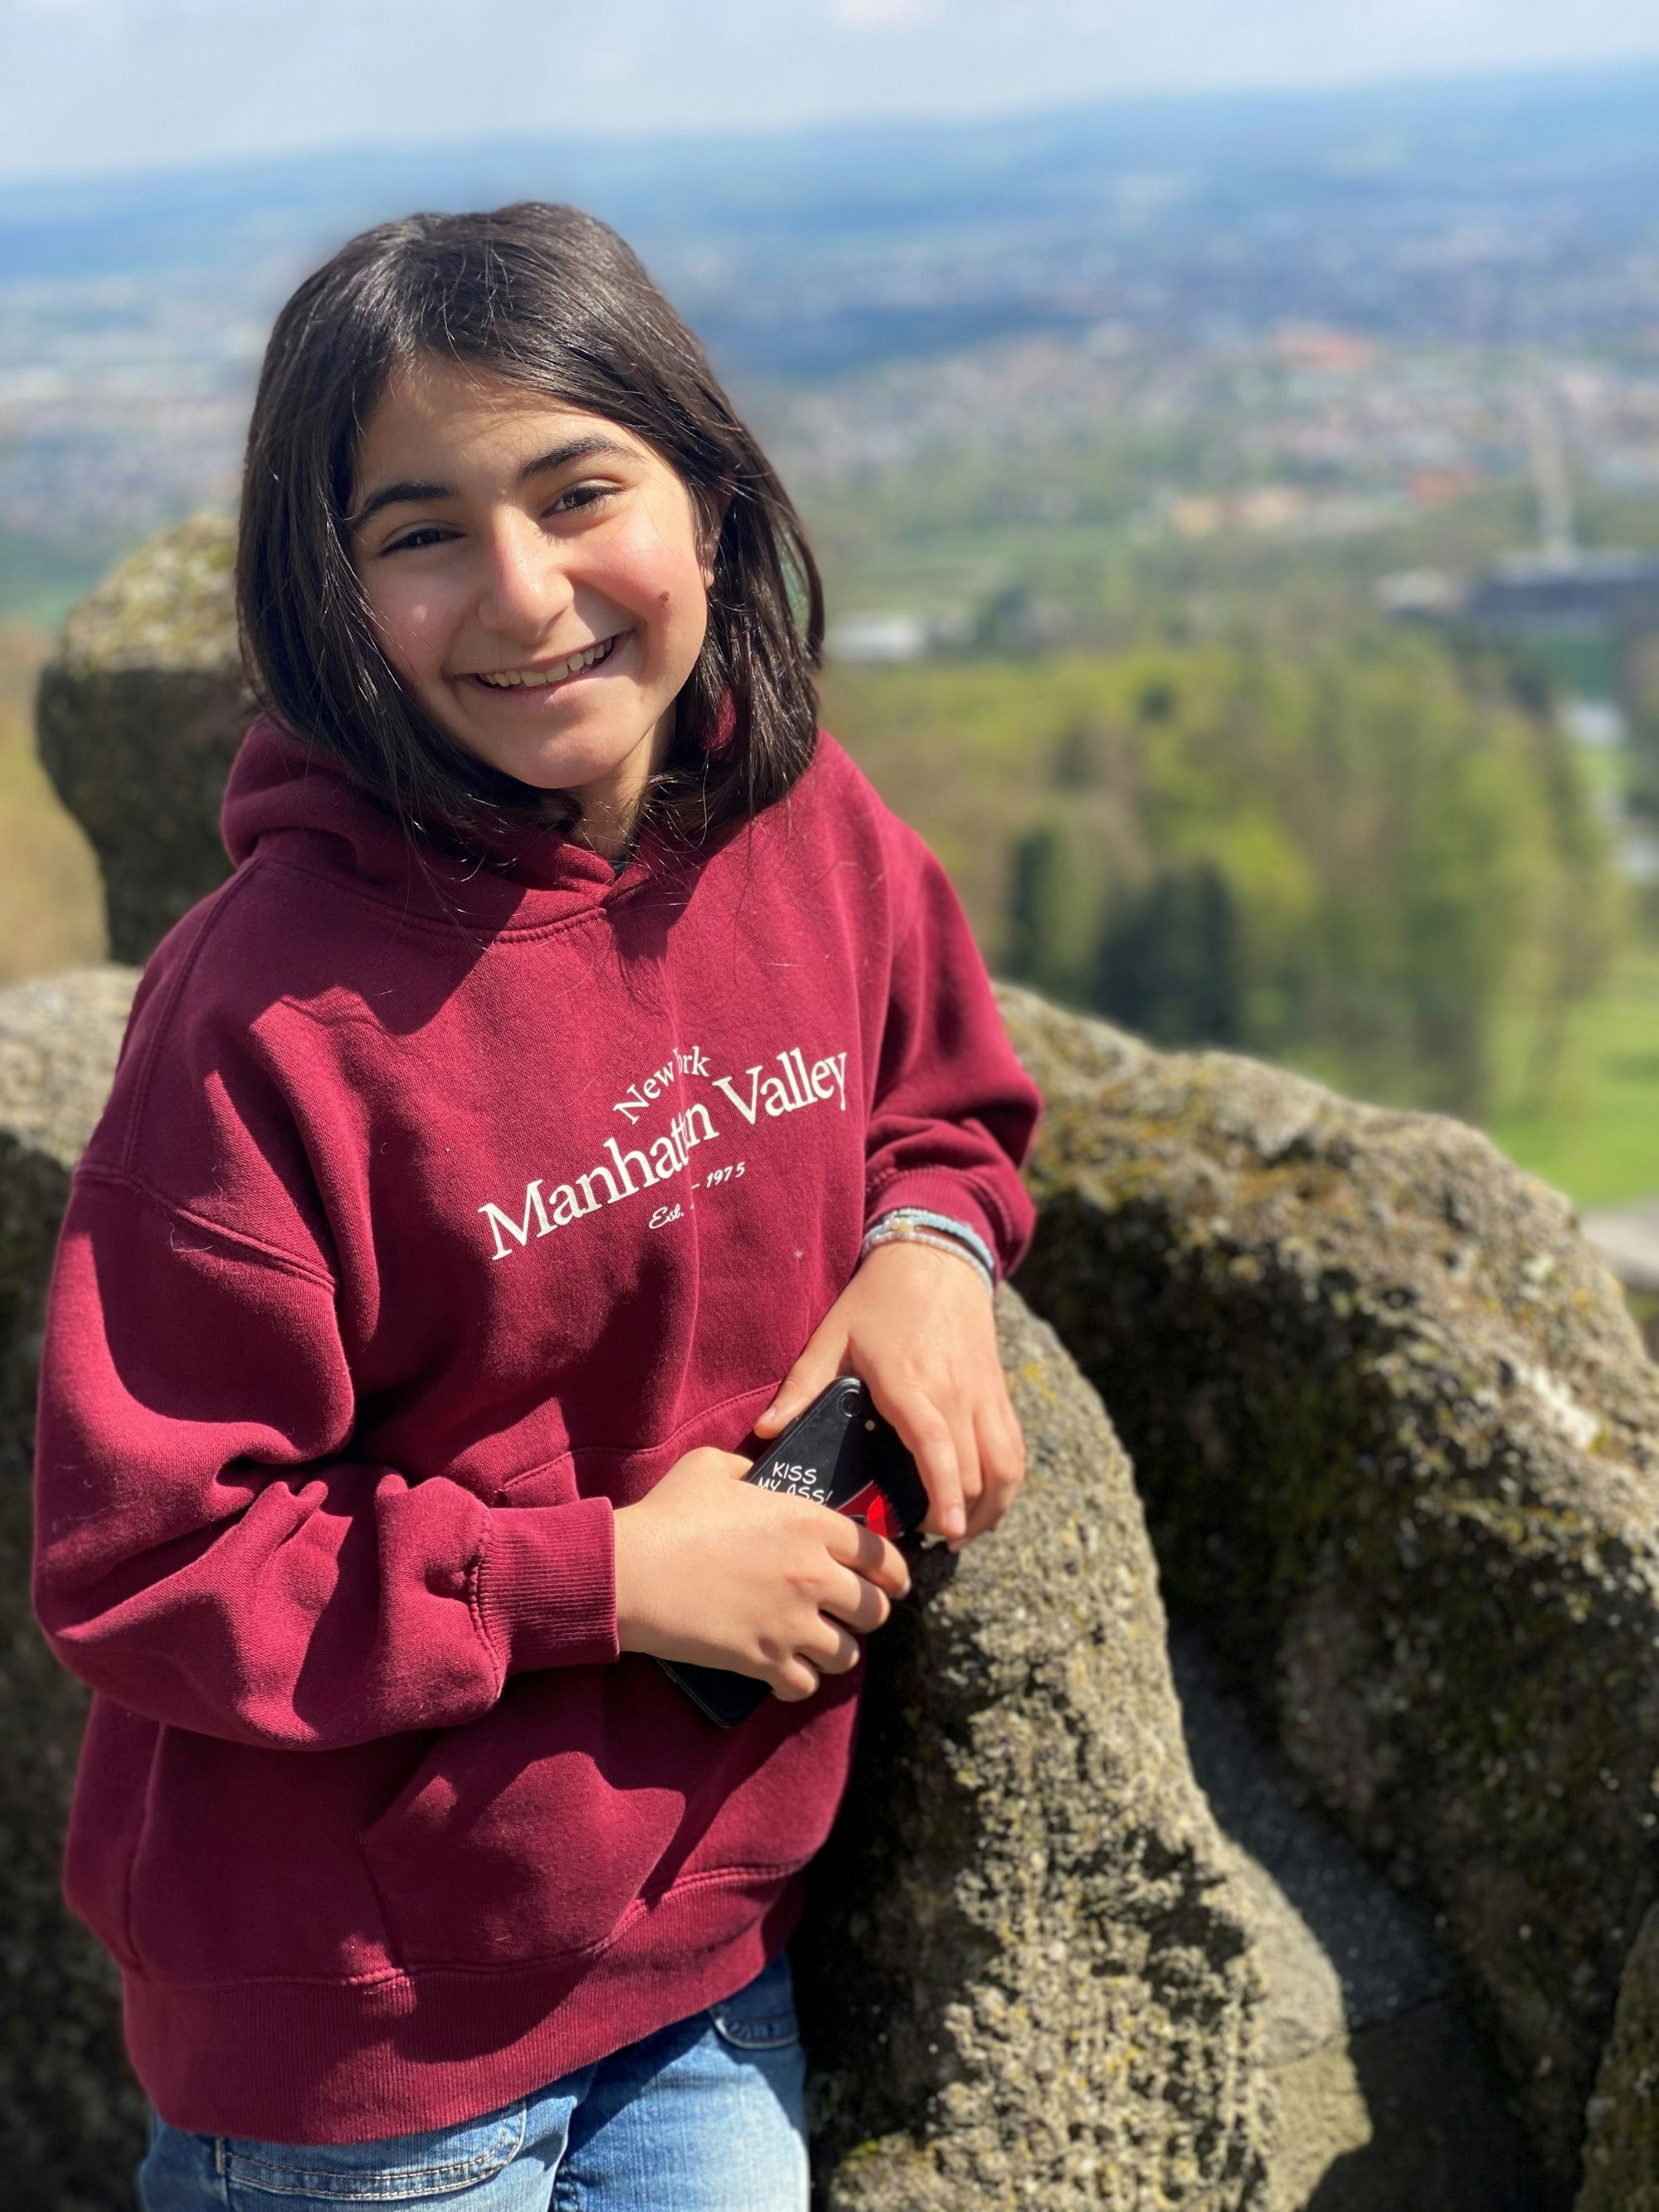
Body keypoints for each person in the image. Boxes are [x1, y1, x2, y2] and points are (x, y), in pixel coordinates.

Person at [32, 202, 1041, 2212]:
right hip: (358, 2045)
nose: (523, 591)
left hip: (707, 1958)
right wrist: (608, 1581)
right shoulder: (267, 1017)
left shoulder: (799, 823)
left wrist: (931, 1253)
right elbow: (149, 1556)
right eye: (421, 533)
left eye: (581, 493)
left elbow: (944, 1091)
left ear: (712, 505)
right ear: (330, 596)